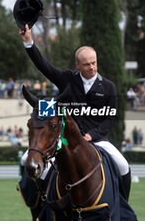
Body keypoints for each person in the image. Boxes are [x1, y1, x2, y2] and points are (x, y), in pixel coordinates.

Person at [19, 24, 131, 200]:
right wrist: (29, 43)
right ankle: (40, 203)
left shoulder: (109, 86)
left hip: (97, 140)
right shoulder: (67, 79)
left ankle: (123, 206)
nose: (92, 67)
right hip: (65, 140)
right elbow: (43, 65)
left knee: (123, 165)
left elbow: (111, 118)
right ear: (77, 64)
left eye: (94, 63)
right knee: (27, 158)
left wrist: (91, 135)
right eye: (86, 64)